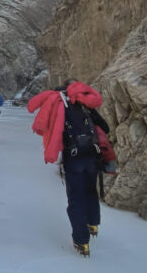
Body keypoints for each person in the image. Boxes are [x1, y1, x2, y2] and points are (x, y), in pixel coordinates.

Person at [27, 80, 116, 257]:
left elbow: (54, 132)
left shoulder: (59, 106)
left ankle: (81, 241)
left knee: (76, 199)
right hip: (92, 155)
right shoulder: (84, 105)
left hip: (74, 158)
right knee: (90, 191)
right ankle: (93, 224)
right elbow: (104, 127)